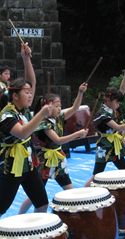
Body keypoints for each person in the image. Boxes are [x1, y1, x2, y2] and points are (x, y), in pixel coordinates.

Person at [0, 43, 54, 239]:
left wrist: (26, 57)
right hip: (11, 167)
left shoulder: (23, 110)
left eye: (30, 92)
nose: (30, 94)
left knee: (42, 203)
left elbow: (31, 81)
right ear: (14, 96)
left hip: (27, 164)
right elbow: (22, 133)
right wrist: (42, 114)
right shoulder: (6, 115)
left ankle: (37, 235)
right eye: (26, 92)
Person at [18, 83, 89, 214]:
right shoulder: (44, 123)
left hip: (58, 159)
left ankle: (75, 217)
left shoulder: (59, 118)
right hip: (45, 161)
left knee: (70, 190)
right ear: (48, 107)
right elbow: (58, 140)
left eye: (60, 106)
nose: (59, 109)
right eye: (56, 106)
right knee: (35, 196)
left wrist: (80, 92)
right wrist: (78, 134)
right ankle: (21, 216)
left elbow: (75, 108)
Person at [84, 87, 125, 187]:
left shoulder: (110, 108)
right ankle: (83, 193)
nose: (118, 104)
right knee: (97, 174)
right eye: (117, 102)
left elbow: (122, 91)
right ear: (108, 100)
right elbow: (118, 128)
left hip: (115, 147)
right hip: (103, 146)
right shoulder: (103, 113)